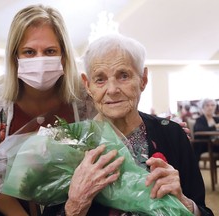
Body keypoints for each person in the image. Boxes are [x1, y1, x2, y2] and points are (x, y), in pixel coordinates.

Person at [43, 34, 214, 215]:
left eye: (123, 76)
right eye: (100, 79)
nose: (112, 90)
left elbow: (203, 210)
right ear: (88, 85)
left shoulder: (173, 134)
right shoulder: (70, 144)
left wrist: (184, 203)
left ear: (143, 79)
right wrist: (75, 204)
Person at [0, 4, 93, 216]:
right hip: (9, 205)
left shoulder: (84, 97)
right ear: (15, 57)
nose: (40, 60)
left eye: (50, 51)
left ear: (64, 55)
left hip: (75, 199)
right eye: (29, 52)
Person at [193, 98, 219, 163]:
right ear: (203, 108)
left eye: (212, 105)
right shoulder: (200, 119)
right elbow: (198, 130)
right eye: (207, 105)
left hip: (216, 144)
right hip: (205, 145)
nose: (210, 108)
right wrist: (215, 126)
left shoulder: (217, 119)